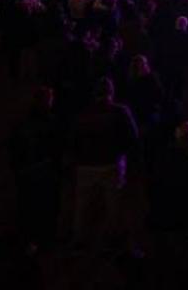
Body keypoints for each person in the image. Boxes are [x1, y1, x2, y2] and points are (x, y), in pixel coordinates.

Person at [70, 77, 139, 252]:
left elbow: (73, 138)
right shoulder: (120, 112)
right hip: (110, 163)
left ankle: (80, 238)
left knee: (82, 204)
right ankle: (110, 239)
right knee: (113, 204)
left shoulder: (83, 113)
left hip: (85, 164)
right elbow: (132, 137)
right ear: (111, 92)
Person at [148, 122, 188, 290]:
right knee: (183, 257)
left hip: (161, 214)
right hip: (182, 218)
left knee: (164, 256)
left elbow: (152, 184)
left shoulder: (162, 157)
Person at [9, 86, 61, 248]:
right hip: (44, 170)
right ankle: (44, 240)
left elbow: (14, 148)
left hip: (26, 171)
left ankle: (26, 238)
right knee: (45, 207)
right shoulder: (50, 122)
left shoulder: (22, 122)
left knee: (27, 206)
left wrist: (17, 168)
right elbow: (56, 148)